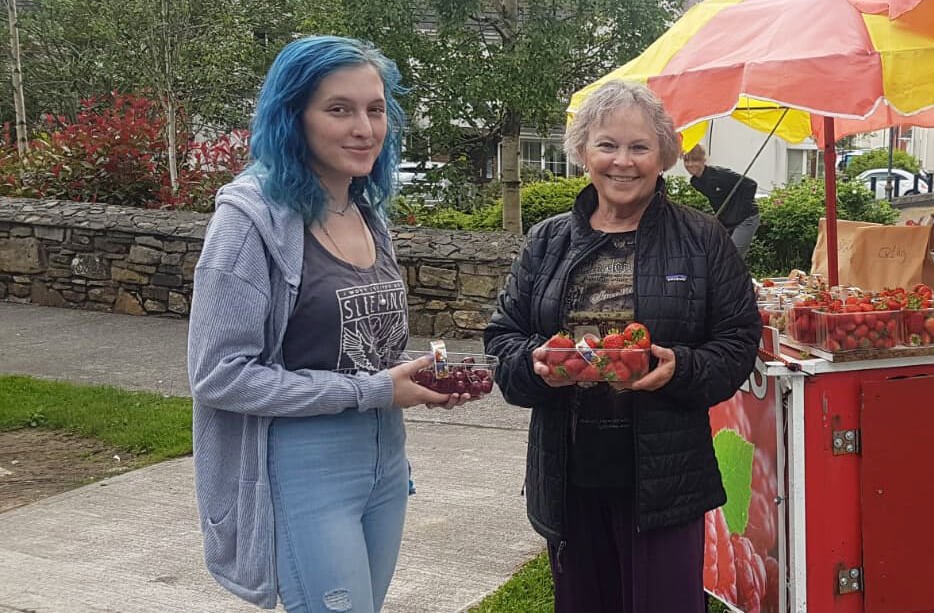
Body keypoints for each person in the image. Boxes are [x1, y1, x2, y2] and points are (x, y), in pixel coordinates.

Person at [187, 36, 467, 612]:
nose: (364, 127)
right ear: (293, 117)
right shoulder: (250, 221)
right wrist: (373, 389)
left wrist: (418, 377)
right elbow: (218, 375)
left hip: (385, 459)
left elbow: (364, 349)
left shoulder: (367, 211)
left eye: (375, 108)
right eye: (338, 109)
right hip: (303, 466)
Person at [484, 80, 760, 613]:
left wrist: (680, 366)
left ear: (664, 155)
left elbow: (737, 341)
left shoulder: (703, 239)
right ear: (583, 152)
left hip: (665, 477)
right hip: (568, 473)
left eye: (639, 147)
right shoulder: (547, 241)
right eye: (607, 145)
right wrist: (535, 363)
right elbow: (503, 337)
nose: (622, 162)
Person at [682, 144, 760, 258]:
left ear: (703, 160)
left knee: (732, 257)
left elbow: (750, 184)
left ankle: (738, 275)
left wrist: (737, 211)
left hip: (746, 218)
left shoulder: (720, 174)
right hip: (726, 221)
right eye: (686, 161)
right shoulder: (695, 182)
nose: (690, 164)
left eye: (695, 160)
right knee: (717, 255)